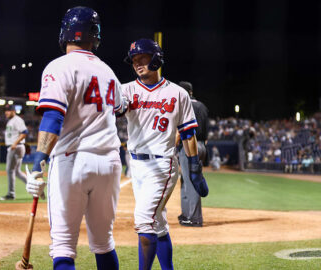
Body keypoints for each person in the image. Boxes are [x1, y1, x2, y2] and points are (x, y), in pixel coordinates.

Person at [24, 7, 126, 270]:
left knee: (64, 248)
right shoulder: (109, 72)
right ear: (96, 36)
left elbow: (53, 119)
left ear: (64, 33)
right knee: (104, 244)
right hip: (110, 163)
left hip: (73, 160)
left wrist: (38, 163)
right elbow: (120, 109)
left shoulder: (58, 66)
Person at [122, 38, 208, 270]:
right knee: (157, 224)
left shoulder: (178, 93)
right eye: (134, 61)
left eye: (143, 58)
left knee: (143, 221)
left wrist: (194, 167)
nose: (137, 64)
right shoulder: (126, 90)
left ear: (156, 59)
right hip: (136, 166)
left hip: (162, 165)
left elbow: (188, 133)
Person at [176, 81, 209, 227]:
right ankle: (186, 214)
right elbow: (207, 131)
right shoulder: (202, 106)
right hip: (201, 145)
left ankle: (194, 218)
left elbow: (180, 129)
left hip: (188, 145)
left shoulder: (183, 105)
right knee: (186, 180)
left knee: (189, 182)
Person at [0, 104, 28, 200]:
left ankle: (11, 194)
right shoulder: (11, 121)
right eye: (5, 110)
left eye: (8, 110)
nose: (6, 112)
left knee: (10, 170)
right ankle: (35, 187)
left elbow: (24, 132)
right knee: (17, 172)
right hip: (16, 147)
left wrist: (15, 143)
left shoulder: (17, 120)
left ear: (13, 111)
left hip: (15, 147)